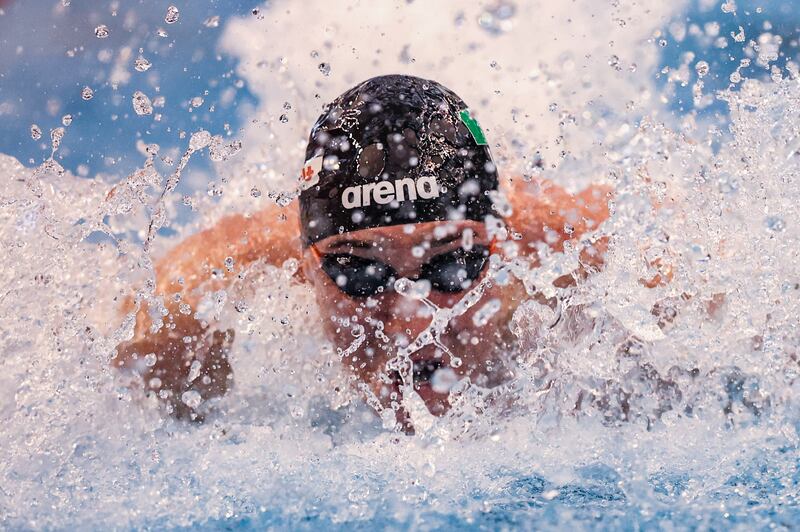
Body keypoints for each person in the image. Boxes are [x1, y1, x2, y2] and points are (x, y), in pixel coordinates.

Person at [114, 75, 611, 430]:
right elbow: (139, 309)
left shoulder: (573, 244)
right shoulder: (230, 270)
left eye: (453, 262)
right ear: (303, 267)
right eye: (360, 272)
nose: (413, 322)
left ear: (500, 247)